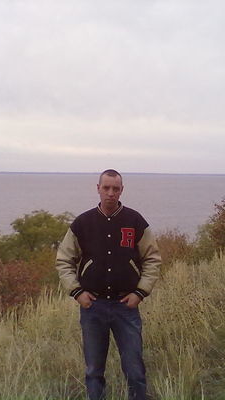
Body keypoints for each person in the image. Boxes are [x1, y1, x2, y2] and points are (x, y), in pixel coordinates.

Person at [55, 169, 162, 400]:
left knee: (135, 369)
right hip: (93, 307)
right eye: (106, 188)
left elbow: (152, 258)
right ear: (98, 189)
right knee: (94, 370)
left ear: (122, 190)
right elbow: (64, 260)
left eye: (115, 188)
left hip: (126, 307)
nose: (110, 193)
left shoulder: (135, 221)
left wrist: (140, 292)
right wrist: (77, 292)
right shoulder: (83, 223)